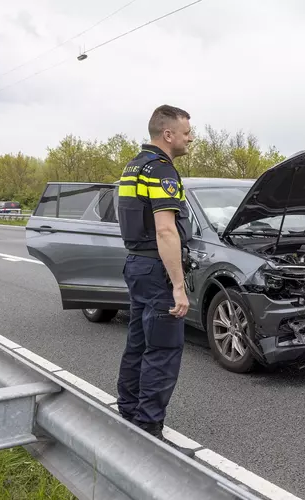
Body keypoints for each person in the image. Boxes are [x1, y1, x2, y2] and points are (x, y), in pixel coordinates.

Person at [115, 104, 195, 457]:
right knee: (163, 350)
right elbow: (165, 230)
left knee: (137, 343)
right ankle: (148, 428)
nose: (190, 138)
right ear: (168, 134)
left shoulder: (134, 166)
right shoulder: (162, 171)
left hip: (136, 265)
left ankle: (128, 411)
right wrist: (178, 285)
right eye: (187, 132)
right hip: (155, 269)